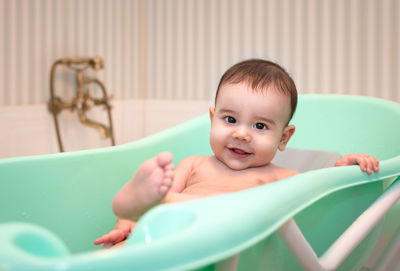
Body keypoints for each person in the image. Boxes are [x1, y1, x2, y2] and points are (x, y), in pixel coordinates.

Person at [94, 59, 380, 248]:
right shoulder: (193, 164)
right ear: (212, 118)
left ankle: (147, 205)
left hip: (223, 240)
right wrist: (127, 225)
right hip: (167, 235)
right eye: (229, 120)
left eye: (259, 126)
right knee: (121, 249)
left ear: (284, 138)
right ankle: (137, 211)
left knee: (168, 203)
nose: (241, 134)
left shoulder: (284, 176)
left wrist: (343, 168)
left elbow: (319, 194)